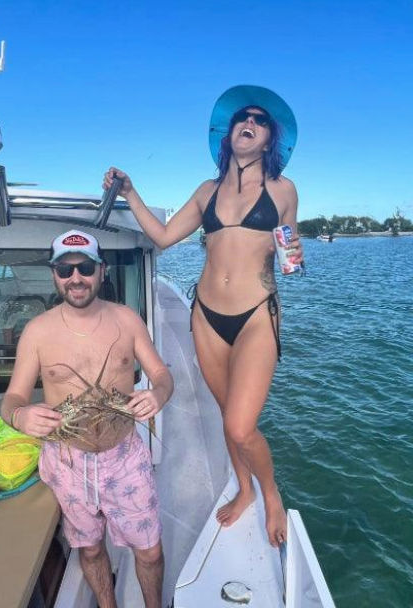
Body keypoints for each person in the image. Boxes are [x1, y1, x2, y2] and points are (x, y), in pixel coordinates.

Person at [103, 85, 303, 547]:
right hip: (207, 315)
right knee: (223, 412)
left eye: (259, 120)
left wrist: (292, 252)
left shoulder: (283, 189)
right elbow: (164, 236)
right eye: (241, 119)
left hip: (256, 314)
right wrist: (131, 192)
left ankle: (269, 493)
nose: (247, 123)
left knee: (240, 423)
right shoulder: (205, 191)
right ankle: (244, 487)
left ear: (270, 140)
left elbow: (290, 251)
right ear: (228, 134)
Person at [0, 230, 173, 608]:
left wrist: (157, 395)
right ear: (54, 275)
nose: (75, 277)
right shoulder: (37, 331)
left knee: (150, 552)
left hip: (124, 457)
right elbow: (12, 398)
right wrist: (20, 414)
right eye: (65, 269)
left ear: (101, 271)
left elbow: (162, 376)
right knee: (90, 550)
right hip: (67, 461)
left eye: (85, 268)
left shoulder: (127, 321)